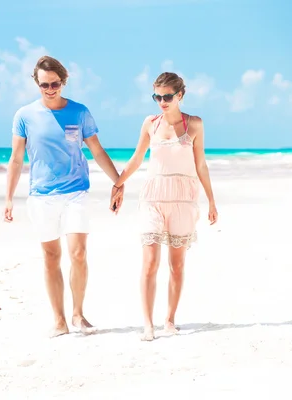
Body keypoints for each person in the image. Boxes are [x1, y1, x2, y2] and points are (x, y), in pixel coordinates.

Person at [3, 55, 122, 338]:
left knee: (78, 253)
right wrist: (8, 198)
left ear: (64, 82)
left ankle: (78, 314)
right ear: (37, 83)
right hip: (41, 196)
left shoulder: (79, 113)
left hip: (75, 192)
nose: (50, 89)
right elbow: (16, 159)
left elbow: (97, 150)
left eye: (55, 83)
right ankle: (59, 320)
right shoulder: (24, 116)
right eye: (44, 84)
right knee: (50, 256)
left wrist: (118, 182)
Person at [110, 72, 218, 341]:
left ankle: (169, 320)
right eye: (157, 96)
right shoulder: (150, 123)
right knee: (149, 263)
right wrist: (118, 184)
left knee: (177, 265)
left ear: (180, 95)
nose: (162, 101)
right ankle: (148, 324)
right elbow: (137, 158)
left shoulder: (194, 125)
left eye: (167, 96)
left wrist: (212, 200)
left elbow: (201, 165)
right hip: (153, 197)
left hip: (183, 198)